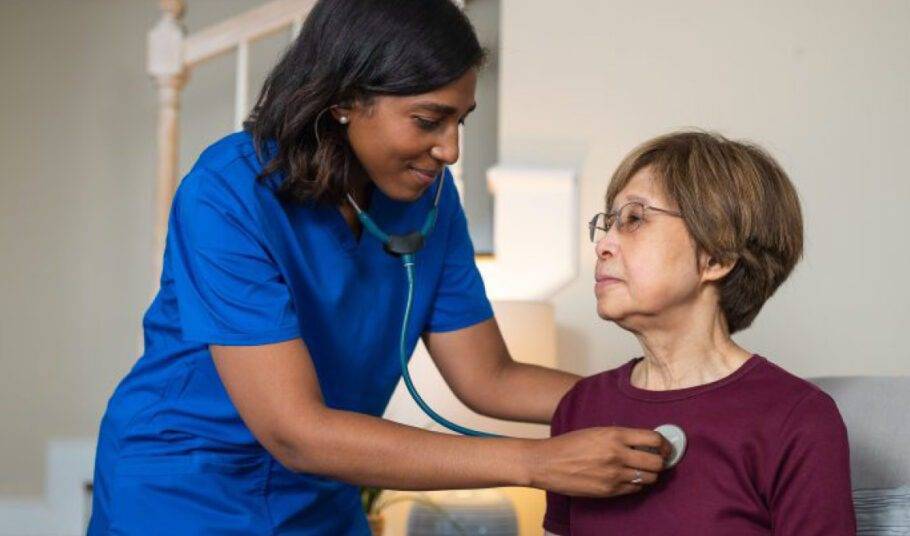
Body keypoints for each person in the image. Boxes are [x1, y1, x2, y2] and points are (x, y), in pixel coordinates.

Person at [88, 1, 669, 533]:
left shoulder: (430, 201)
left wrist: (653, 395)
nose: (450, 151)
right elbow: (295, 431)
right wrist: (534, 461)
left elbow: (489, 377)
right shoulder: (227, 194)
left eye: (459, 122)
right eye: (427, 120)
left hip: (321, 492)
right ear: (342, 100)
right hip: (184, 490)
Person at [543, 131, 856, 535]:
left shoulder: (799, 419)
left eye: (634, 219)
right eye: (607, 224)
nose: (603, 244)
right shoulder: (581, 407)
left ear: (716, 256)